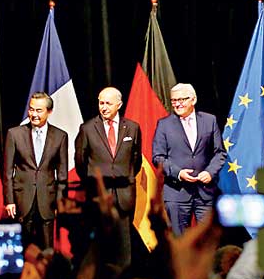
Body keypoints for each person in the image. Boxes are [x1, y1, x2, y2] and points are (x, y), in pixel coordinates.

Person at [75, 86, 142, 267]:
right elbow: (80, 162)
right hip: (98, 195)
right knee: (100, 244)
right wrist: (96, 181)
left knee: (124, 245)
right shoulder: (87, 128)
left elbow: (135, 161)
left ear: (119, 105)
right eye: (101, 103)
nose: (103, 107)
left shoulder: (133, 128)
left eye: (108, 103)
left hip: (124, 194)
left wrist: (121, 177)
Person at [152, 83, 226, 235]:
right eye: (174, 100)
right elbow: (158, 157)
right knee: (179, 245)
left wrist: (210, 172)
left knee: (207, 243)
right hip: (176, 193)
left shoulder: (209, 120)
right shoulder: (164, 125)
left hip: (205, 193)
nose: (177, 104)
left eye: (182, 99)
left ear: (193, 100)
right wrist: (178, 173)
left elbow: (220, 153)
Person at [3, 92, 68, 249]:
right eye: (31, 110)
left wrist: (60, 203)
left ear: (49, 112)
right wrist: (9, 200)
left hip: (47, 201)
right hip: (22, 200)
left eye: (39, 110)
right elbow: (7, 172)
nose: (34, 114)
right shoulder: (14, 134)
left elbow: (62, 174)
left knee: (47, 251)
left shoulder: (60, 136)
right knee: (23, 249)